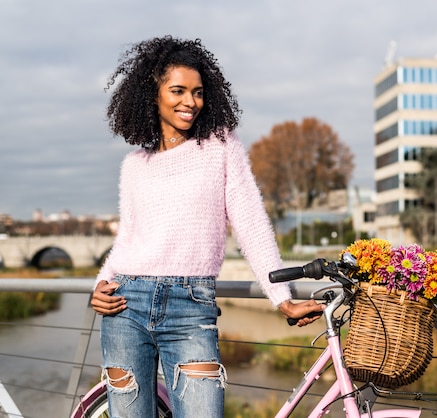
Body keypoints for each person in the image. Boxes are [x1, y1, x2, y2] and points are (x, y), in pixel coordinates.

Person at [90, 35, 324, 418]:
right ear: (153, 94)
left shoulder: (220, 146)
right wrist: (100, 283)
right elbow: (128, 238)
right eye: (178, 91)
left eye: (197, 92)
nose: (190, 102)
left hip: (191, 306)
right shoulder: (134, 165)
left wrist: (281, 297)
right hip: (124, 305)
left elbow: (251, 223)